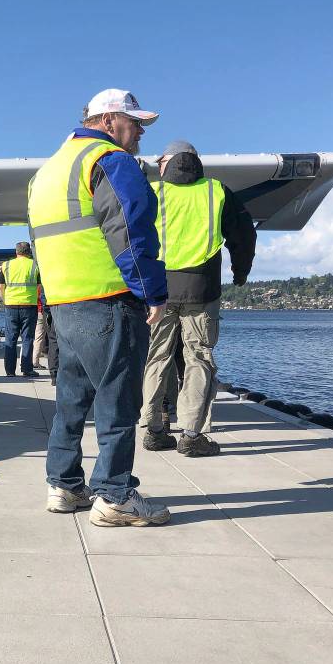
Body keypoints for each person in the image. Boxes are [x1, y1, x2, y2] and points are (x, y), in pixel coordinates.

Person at [28, 88, 170, 526]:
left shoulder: (46, 172)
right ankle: (115, 496)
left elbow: (41, 241)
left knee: (71, 399)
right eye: (136, 123)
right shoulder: (110, 160)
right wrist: (152, 292)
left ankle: (65, 486)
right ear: (108, 121)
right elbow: (130, 228)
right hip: (109, 299)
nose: (141, 132)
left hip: (64, 304)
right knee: (118, 401)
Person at [141, 140, 256, 456]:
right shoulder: (217, 191)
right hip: (201, 290)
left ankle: (153, 429)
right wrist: (240, 272)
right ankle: (192, 436)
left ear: (166, 162)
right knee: (199, 358)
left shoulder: (152, 191)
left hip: (157, 290)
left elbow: (129, 234)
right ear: (196, 162)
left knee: (155, 357)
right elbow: (244, 235)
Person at [0, 242, 41, 377]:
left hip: (11, 306)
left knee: (10, 339)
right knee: (27, 338)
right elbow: (39, 286)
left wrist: (6, 300)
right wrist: (33, 297)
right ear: (29, 252)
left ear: (16, 252)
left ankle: (10, 371)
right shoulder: (34, 265)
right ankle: (27, 369)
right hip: (29, 305)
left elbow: (0, 286)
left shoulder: (6, 265)